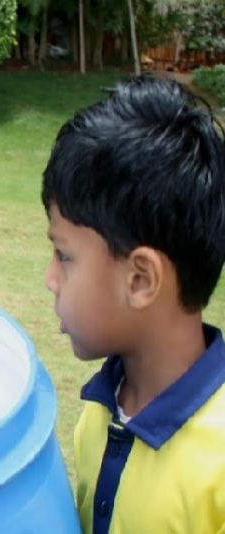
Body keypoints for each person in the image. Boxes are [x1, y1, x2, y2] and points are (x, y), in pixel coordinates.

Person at [41, 75, 225, 533]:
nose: (50, 279)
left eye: (64, 256)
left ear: (141, 280)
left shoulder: (217, 468)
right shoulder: (98, 414)